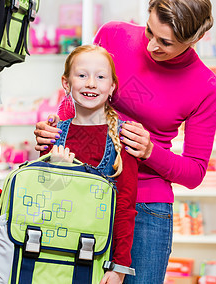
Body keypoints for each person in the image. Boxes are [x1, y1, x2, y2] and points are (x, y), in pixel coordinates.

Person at [34, 0, 216, 283]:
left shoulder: (205, 87)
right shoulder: (114, 35)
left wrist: (151, 151)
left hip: (146, 205)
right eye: (149, 32)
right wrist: (55, 131)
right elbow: (78, 95)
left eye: (166, 42)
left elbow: (194, 172)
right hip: (84, 188)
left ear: (196, 39)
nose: (151, 47)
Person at [40, 44, 138, 284]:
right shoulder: (53, 135)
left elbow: (125, 207)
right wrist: (55, 170)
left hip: (98, 256)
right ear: (66, 83)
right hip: (53, 252)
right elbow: (41, 200)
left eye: (101, 77)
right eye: (82, 75)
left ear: (112, 86)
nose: (91, 83)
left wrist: (120, 267)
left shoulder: (124, 138)